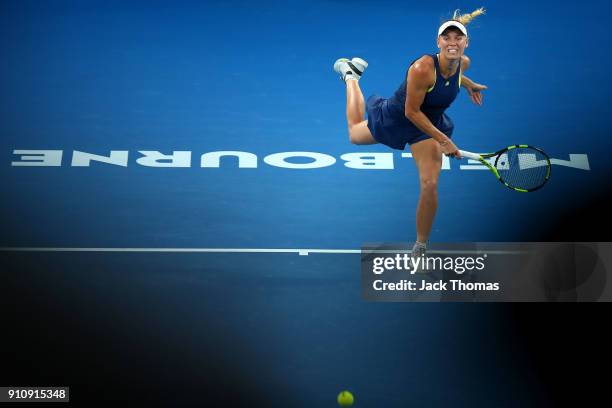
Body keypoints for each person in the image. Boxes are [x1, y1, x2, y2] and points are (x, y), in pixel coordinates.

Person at [333, 8, 488, 263]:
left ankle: (420, 246)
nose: (452, 43)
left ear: (465, 43)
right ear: (438, 42)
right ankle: (351, 77)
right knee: (354, 133)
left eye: (457, 38)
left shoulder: (464, 63)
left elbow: (457, 74)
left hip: (429, 126)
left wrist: (469, 85)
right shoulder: (421, 68)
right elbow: (412, 112)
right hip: (400, 116)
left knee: (430, 184)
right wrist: (444, 140)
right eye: (446, 38)